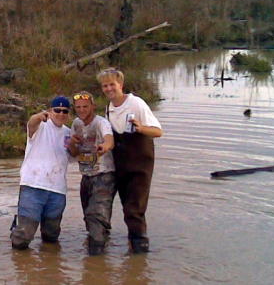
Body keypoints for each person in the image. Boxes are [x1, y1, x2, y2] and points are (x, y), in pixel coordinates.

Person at [96, 68, 163, 253]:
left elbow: (158, 131)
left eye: (112, 84)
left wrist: (141, 128)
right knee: (126, 206)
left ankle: (140, 253)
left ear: (121, 85)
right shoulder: (108, 108)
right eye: (105, 86)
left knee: (135, 209)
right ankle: (129, 247)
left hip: (140, 165)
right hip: (121, 165)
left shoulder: (136, 103)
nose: (109, 89)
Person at [10, 96, 71, 250]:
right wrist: (38, 117)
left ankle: (49, 269)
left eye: (65, 111)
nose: (61, 114)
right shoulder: (40, 126)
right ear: (50, 111)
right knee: (23, 237)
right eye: (57, 110)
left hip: (57, 191)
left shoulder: (69, 133)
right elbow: (31, 123)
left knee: (51, 237)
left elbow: (75, 156)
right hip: (32, 186)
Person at [67, 91, 115, 256]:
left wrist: (105, 146)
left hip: (104, 175)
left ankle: (96, 264)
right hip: (86, 176)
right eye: (78, 107)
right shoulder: (76, 124)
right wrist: (72, 143)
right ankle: (101, 251)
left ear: (93, 106)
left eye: (85, 106)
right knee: (90, 220)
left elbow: (109, 139)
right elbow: (73, 153)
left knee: (96, 217)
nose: (82, 110)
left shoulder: (101, 123)